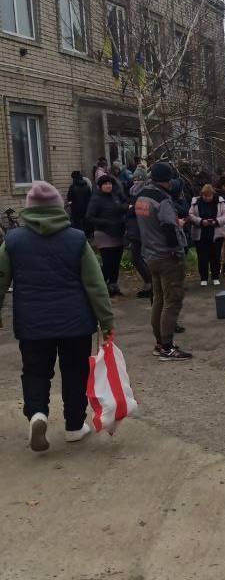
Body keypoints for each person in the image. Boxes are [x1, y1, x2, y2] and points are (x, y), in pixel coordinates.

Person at [0, 182, 114, 452]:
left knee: (35, 371)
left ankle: (37, 414)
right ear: (59, 208)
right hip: (75, 322)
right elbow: (96, 285)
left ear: (29, 209)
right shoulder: (76, 239)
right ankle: (74, 426)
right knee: (75, 372)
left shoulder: (13, 241)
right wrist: (106, 320)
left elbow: (1, 279)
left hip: (32, 324)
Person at [135, 162, 192, 361]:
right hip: (167, 257)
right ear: (167, 180)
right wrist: (177, 251)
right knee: (172, 300)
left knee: (158, 299)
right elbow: (168, 227)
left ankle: (160, 343)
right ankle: (167, 347)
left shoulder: (141, 196)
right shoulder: (163, 200)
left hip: (150, 255)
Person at [86, 174, 128, 296]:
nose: (108, 186)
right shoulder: (96, 199)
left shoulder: (115, 195)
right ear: (100, 186)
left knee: (116, 261)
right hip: (104, 233)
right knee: (108, 262)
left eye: (110, 183)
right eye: (105, 184)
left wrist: (123, 208)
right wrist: (106, 223)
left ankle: (113, 285)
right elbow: (89, 217)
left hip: (118, 232)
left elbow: (123, 205)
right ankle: (100, 286)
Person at [189, 184, 225, 286]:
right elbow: (191, 215)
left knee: (215, 256)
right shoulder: (196, 202)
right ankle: (203, 278)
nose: (207, 198)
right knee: (202, 257)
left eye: (209, 196)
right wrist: (200, 221)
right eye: (205, 196)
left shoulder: (220, 202)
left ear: (213, 194)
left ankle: (215, 277)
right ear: (202, 194)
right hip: (200, 234)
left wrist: (216, 221)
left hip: (216, 234)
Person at [126, 168, 153, 298]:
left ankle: (151, 284)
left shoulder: (145, 193)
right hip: (134, 229)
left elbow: (142, 211)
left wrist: (131, 209)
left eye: (139, 179)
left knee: (138, 258)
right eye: (134, 179)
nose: (136, 182)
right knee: (138, 258)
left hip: (141, 230)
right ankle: (149, 283)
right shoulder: (132, 192)